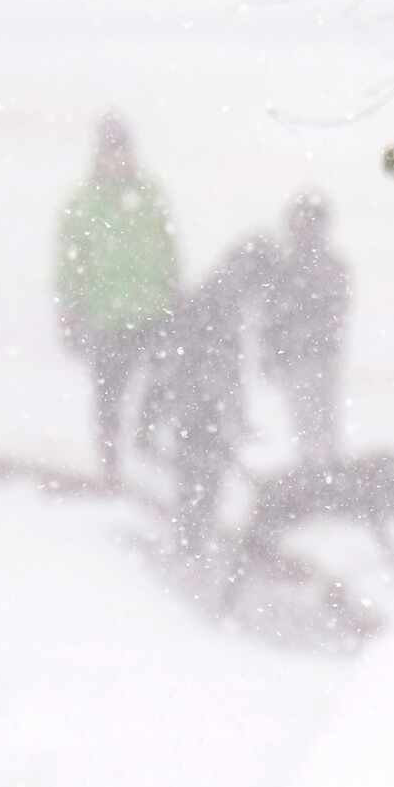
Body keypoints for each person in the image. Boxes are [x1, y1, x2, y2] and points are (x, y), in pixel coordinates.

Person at [54, 116, 180, 486]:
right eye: (112, 151)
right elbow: (70, 265)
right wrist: (70, 311)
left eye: (124, 150)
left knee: (163, 384)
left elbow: (168, 249)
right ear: (100, 155)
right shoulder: (83, 205)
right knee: (109, 395)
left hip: (153, 312)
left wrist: (174, 293)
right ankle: (110, 464)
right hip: (107, 317)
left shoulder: (149, 196)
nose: (119, 159)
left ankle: (146, 442)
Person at [140, 234, 282, 553]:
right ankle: (191, 540)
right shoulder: (221, 298)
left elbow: (220, 360)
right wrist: (222, 402)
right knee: (201, 470)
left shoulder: (219, 292)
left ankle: (192, 537)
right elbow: (213, 359)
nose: (261, 296)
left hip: (198, 395)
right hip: (198, 397)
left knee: (201, 470)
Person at [260, 190, 351, 461]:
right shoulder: (284, 269)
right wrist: (273, 352)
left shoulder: (328, 267)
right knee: (308, 424)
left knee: (321, 421)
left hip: (316, 356)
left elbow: (336, 314)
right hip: (298, 357)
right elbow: (270, 318)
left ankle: (323, 471)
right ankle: (315, 472)